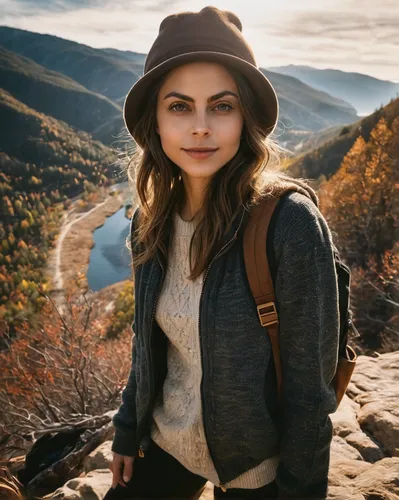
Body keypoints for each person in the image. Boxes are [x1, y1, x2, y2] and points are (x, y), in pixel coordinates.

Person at [104, 5, 340, 500]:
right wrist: (128, 429)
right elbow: (146, 344)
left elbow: (309, 392)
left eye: (223, 106)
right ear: (156, 121)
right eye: (180, 106)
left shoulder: (289, 225)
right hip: (166, 445)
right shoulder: (150, 221)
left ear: (246, 117)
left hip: (257, 467)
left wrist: (301, 489)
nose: (201, 127)